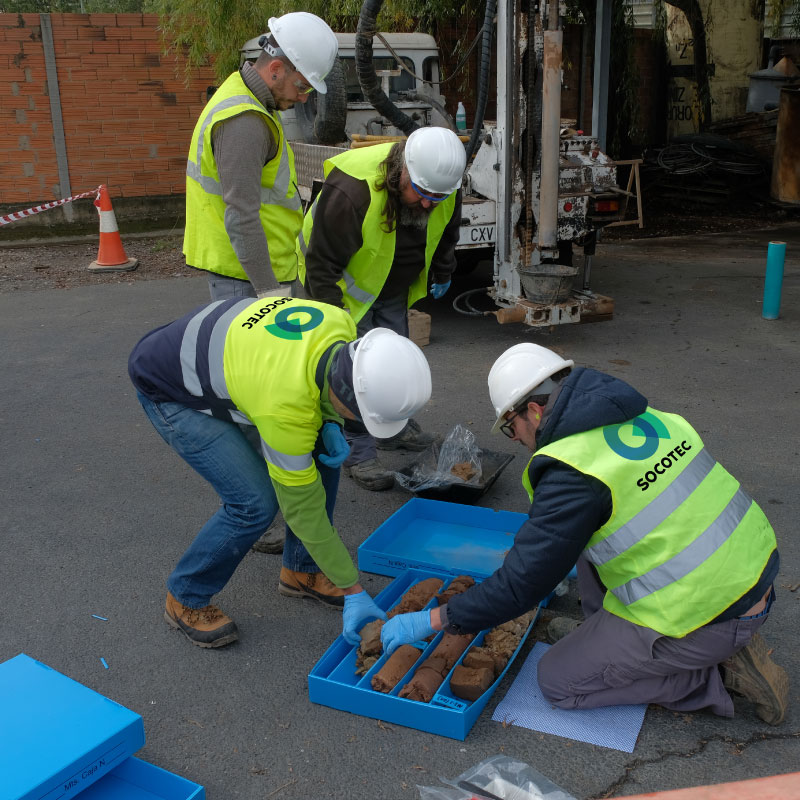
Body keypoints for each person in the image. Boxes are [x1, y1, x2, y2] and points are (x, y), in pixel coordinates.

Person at [381, 343, 789, 725]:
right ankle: (617, 641)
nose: (518, 439)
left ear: (536, 412)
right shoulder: (646, 417)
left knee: (558, 682)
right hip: (751, 577)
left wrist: (436, 619)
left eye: (512, 427)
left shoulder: (573, 473)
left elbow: (522, 587)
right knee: (585, 539)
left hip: (707, 617)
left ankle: (712, 676)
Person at [128, 295, 432, 648]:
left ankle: (301, 571)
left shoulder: (340, 325)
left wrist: (331, 422)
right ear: (346, 392)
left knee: (318, 451)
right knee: (253, 502)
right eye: (362, 416)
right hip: (168, 386)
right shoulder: (284, 410)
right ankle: (185, 596)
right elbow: (303, 511)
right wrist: (354, 590)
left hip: (232, 357)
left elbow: (326, 384)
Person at [297, 126, 466, 491]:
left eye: (436, 198)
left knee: (393, 364)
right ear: (403, 171)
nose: (427, 205)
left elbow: (447, 231)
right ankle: (359, 454)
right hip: (340, 286)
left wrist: (443, 268)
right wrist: (333, 323)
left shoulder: (442, 184)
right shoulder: (353, 191)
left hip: (391, 286)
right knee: (357, 373)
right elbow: (320, 265)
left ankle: (392, 430)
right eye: (420, 194)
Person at [183, 12, 338, 302]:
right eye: (303, 86)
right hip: (248, 281)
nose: (304, 98)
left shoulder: (251, 100)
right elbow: (241, 215)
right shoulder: (245, 121)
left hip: (256, 271)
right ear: (276, 68)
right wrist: (269, 294)